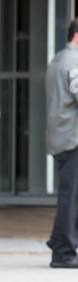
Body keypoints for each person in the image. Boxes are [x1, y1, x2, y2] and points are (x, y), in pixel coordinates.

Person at [46, 18, 78, 268]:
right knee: (71, 198)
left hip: (61, 138)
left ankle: (59, 242)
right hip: (72, 140)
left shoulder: (58, 58)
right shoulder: (74, 61)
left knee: (70, 195)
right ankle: (64, 253)